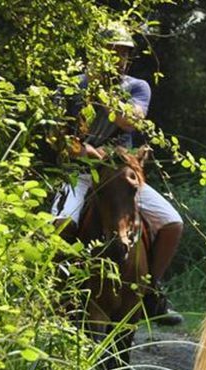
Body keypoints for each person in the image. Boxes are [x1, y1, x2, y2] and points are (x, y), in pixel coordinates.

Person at [51, 22, 184, 326]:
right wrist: (80, 149)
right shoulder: (69, 86)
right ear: (95, 54)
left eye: (123, 54)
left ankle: (151, 290)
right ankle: (58, 290)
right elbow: (56, 135)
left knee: (173, 223)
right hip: (80, 174)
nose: (118, 60)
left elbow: (130, 121)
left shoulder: (136, 86)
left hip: (121, 174)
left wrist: (101, 92)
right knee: (61, 223)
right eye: (111, 53)